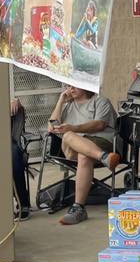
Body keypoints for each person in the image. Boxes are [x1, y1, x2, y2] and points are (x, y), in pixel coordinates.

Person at [48, 84, 123, 225]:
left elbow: (99, 125)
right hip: (73, 148)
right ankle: (104, 158)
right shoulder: (67, 105)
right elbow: (51, 128)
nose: (71, 89)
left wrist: (74, 128)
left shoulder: (100, 101)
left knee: (83, 155)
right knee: (68, 135)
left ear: (86, 85)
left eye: (75, 86)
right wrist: (60, 101)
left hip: (101, 141)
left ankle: (78, 208)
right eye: (68, 86)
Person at [9, 98, 32, 220]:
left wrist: (16, 101)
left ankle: (23, 203)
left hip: (8, 142)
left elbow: (17, 107)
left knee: (13, 155)